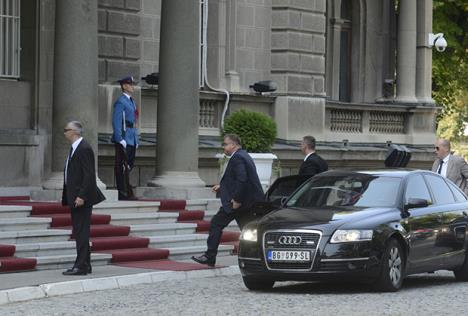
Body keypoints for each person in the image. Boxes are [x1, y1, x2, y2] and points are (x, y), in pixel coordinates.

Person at [192, 134, 264, 267]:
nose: (224, 147)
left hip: (238, 203)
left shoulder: (237, 158)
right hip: (248, 203)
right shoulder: (243, 155)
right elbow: (238, 179)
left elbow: (242, 180)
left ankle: (210, 256)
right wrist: (222, 186)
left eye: (225, 144)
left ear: (234, 145)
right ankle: (257, 257)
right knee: (249, 231)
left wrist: (236, 200)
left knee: (216, 224)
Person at [61, 121, 105, 275]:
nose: (64, 132)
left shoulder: (84, 148)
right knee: (80, 231)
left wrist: (81, 196)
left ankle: (80, 266)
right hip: (75, 196)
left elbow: (89, 175)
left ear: (74, 132)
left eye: (66, 130)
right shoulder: (75, 148)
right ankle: (85, 264)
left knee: (81, 232)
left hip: (81, 198)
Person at [112, 76, 139, 200]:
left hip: (131, 137)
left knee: (129, 165)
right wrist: (119, 138)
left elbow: (134, 122)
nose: (132, 86)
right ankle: (123, 192)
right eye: (130, 84)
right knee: (122, 166)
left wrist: (136, 139)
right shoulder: (121, 101)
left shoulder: (132, 101)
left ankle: (126, 190)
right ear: (124, 86)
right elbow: (116, 121)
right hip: (124, 138)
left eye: (132, 84)